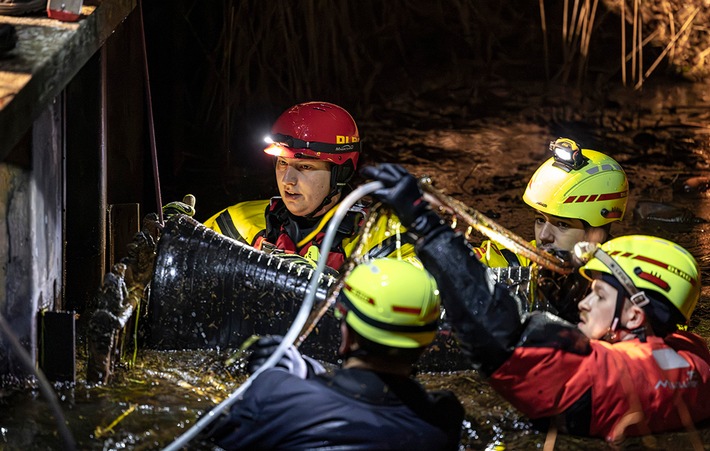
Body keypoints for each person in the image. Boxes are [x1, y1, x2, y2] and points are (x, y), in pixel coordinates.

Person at [362, 163, 710, 442]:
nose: (586, 302)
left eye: (599, 295)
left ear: (635, 315)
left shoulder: (597, 375)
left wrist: (427, 225)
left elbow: (497, 335)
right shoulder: (693, 359)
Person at [203, 258, 465, 450]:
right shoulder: (445, 416)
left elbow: (207, 438)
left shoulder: (278, 395)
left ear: (347, 335)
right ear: (427, 342)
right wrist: (313, 376)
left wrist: (274, 380)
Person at [200, 101, 416, 272]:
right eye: (282, 163)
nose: (287, 180)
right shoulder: (237, 224)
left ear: (341, 172)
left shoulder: (387, 240)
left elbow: (420, 299)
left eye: (305, 166)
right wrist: (171, 233)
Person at [472, 137, 629, 319]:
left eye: (563, 225)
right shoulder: (516, 259)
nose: (544, 236)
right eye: (540, 220)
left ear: (597, 233)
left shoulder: (626, 284)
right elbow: (465, 262)